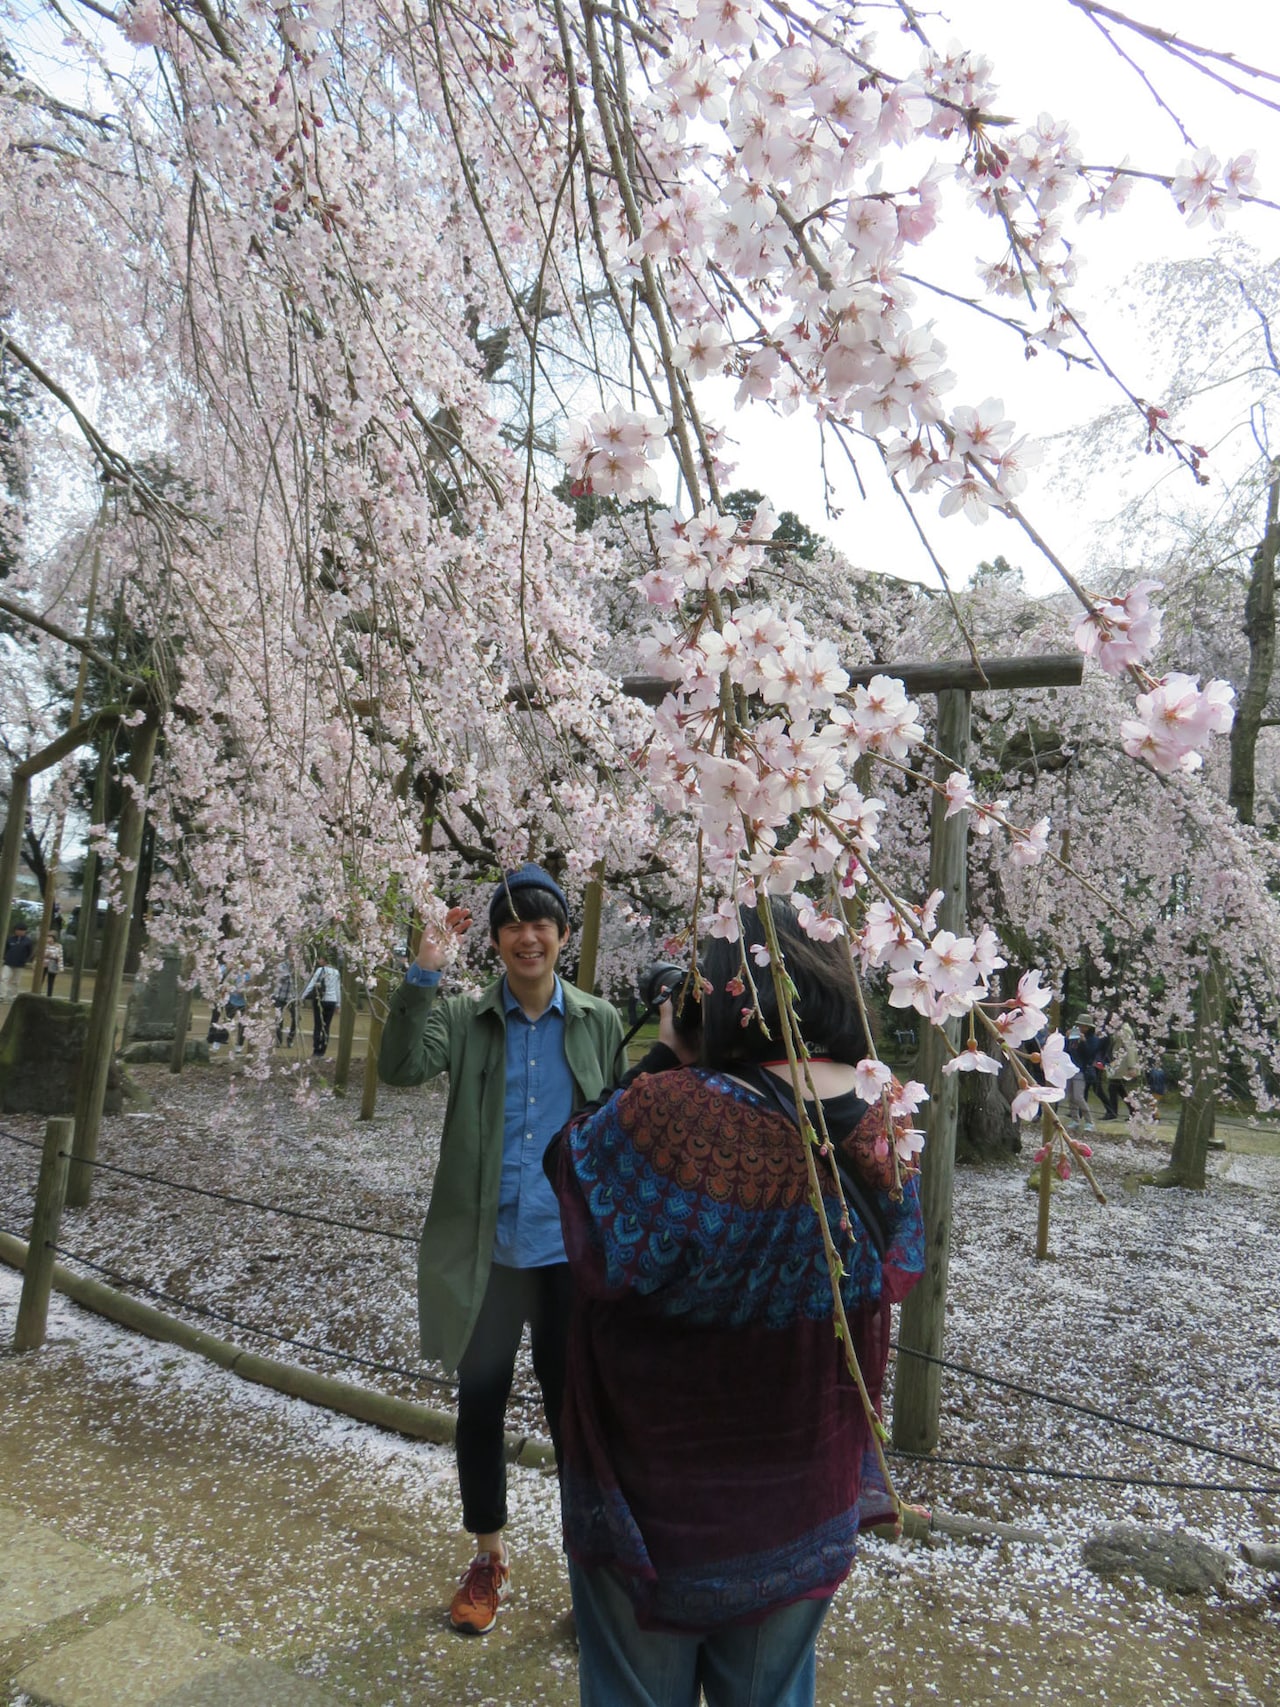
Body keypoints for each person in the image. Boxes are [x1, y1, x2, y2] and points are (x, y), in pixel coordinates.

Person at [546, 901, 925, 1707]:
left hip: (661, 1495)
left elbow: (576, 1168)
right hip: (801, 1488)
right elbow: (890, 1264)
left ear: (719, 995)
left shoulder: (675, 1110)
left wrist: (668, 1054)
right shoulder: (886, 1108)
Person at [378, 864, 626, 1637]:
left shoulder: (599, 1020)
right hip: (488, 1256)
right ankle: (487, 1557)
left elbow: (618, 1128)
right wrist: (423, 970)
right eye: (512, 923)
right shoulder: (463, 1018)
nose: (528, 934)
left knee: (575, 1418)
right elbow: (399, 1066)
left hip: (566, 1261)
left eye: (541, 921)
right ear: (493, 940)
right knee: (480, 1409)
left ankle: (594, 1573)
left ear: (561, 935)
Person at [300, 958, 341, 1056]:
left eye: (321, 959)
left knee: (318, 1024)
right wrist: (338, 1004)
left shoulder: (320, 970)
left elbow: (311, 985)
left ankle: (316, 1048)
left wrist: (302, 996)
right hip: (332, 1001)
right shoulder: (336, 972)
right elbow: (337, 989)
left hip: (320, 999)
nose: (318, 960)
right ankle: (323, 1049)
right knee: (327, 1026)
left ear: (325, 960)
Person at [1103, 1017, 1141, 1120]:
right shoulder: (1120, 1029)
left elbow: (1130, 1048)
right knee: (1119, 1088)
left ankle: (1114, 1112)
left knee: (1114, 1087)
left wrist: (1131, 1066)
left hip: (1122, 1065)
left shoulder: (1125, 1030)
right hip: (1117, 1064)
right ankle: (1133, 1111)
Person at [2, 923, 34, 1000]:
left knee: (15, 981)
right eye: (17, 930)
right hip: (8, 963)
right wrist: (6, 957)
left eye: (21, 930)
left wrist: (25, 960)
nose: (19, 932)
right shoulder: (10, 939)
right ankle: (2, 995)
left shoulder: (28, 941)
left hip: (20, 964)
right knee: (4, 978)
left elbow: (30, 952)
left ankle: (13, 996)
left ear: (25, 931)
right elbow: (6, 949)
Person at [273, 957, 300, 1046]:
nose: (294, 957)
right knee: (279, 1018)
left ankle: (290, 1039)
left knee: (296, 1017)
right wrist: (291, 972)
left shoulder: (300, 966)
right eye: (293, 954)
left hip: (292, 997)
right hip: (280, 996)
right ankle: (279, 1040)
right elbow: (281, 978)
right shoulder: (282, 966)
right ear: (289, 954)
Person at [42, 934, 64, 998]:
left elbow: (60, 956)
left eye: (50, 937)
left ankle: (49, 996)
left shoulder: (58, 946)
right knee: (40, 980)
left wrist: (61, 967)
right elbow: (39, 954)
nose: (48, 938)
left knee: (50, 982)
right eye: (47, 937)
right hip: (43, 965)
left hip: (53, 965)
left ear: (54, 938)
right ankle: (37, 993)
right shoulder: (44, 945)